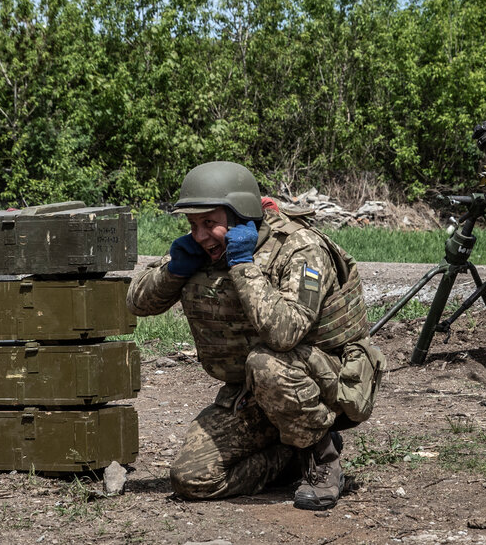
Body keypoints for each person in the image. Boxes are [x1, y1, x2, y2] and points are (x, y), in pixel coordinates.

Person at [127, 161, 385, 510]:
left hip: (328, 384)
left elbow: (285, 333)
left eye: (209, 223)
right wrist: (174, 269)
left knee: (267, 362)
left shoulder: (300, 247)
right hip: (255, 392)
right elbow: (138, 303)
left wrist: (243, 266)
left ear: (240, 213)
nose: (200, 235)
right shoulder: (203, 247)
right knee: (191, 479)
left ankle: (321, 460)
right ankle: (290, 454)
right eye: (192, 225)